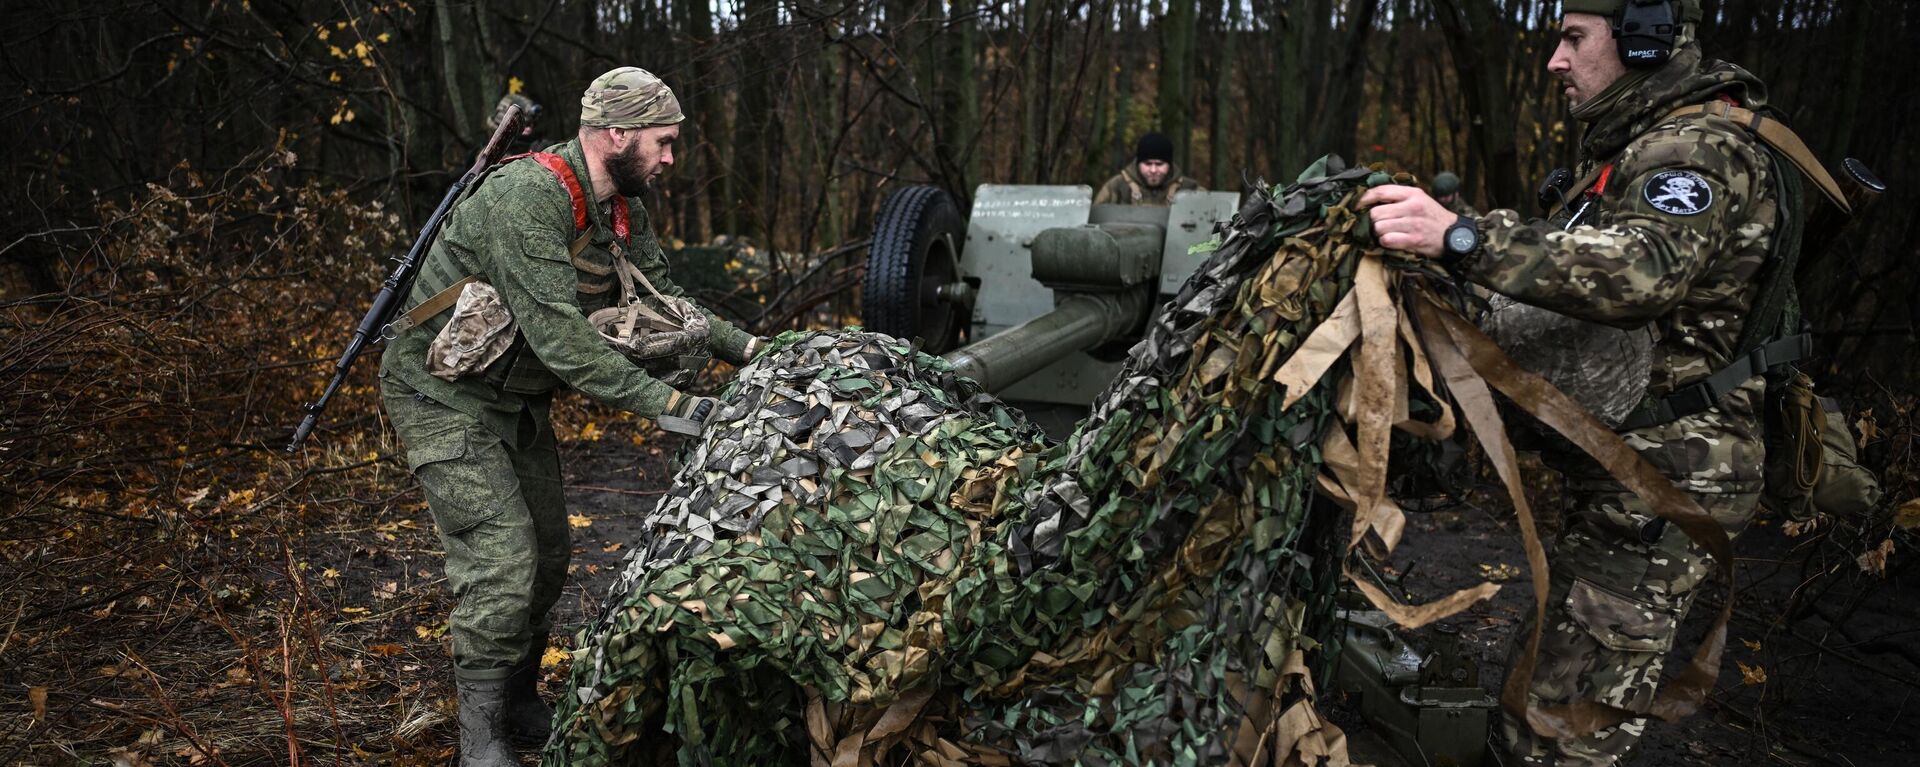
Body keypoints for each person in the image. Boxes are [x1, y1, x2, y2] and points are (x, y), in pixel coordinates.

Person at [1362, 1, 1807, 763]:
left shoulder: (1696, 150)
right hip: (1627, 478)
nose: (1555, 61)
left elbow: (1639, 272)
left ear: (1644, 39)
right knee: (1538, 702)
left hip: (1663, 487)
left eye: (1574, 38)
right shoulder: (1640, 146)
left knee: (1557, 737)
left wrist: (1463, 237)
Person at [379, 66, 762, 765]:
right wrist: (673, 406)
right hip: (442, 394)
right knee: (503, 557)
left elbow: (668, 301)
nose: (673, 158)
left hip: (513, 398)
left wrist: (753, 351)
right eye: (663, 142)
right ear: (618, 133)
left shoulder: (622, 208)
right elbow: (564, 343)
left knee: (551, 551)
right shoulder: (528, 198)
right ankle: (481, 740)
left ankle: (518, 695)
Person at [1093, 132, 1205, 206]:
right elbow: (1094, 222)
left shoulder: (1190, 189)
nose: (1153, 170)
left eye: (1159, 164)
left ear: (1169, 165)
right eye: (1147, 164)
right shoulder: (1117, 186)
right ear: (1138, 163)